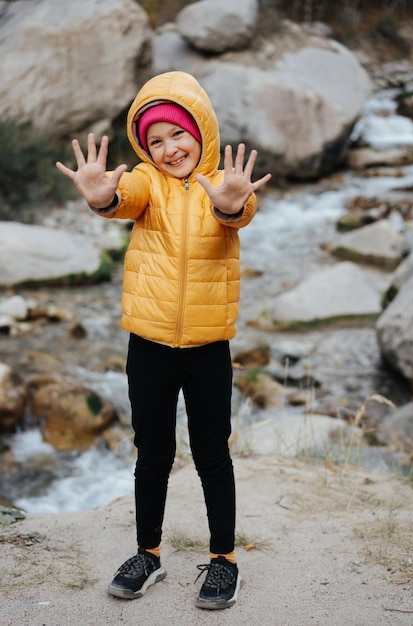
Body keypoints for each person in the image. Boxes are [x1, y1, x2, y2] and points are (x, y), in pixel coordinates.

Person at [56, 70, 271, 610]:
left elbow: (235, 212)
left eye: (178, 134)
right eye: (154, 140)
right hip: (148, 346)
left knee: (210, 454)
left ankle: (224, 560)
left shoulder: (221, 183)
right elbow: (120, 198)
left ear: (201, 130)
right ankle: (147, 553)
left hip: (208, 350)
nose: (169, 148)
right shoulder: (146, 183)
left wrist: (231, 200)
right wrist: (101, 196)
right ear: (143, 147)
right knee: (151, 453)